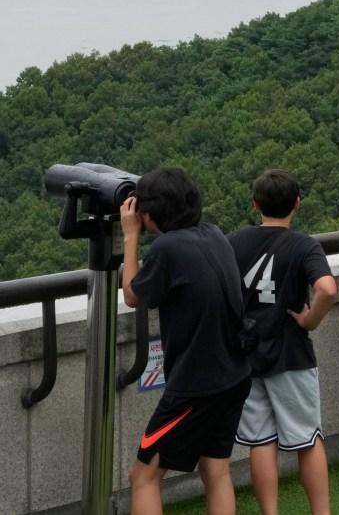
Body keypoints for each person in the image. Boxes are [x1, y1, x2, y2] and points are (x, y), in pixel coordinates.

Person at [121, 167, 252, 515]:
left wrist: (130, 236)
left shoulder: (166, 248)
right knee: (216, 470)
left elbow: (133, 295)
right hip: (234, 374)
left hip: (196, 386)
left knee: (144, 475)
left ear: (149, 213)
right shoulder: (213, 233)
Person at [230, 169, 338, 515]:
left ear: (255, 204)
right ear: (297, 204)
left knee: (260, 441)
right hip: (291, 353)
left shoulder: (234, 242)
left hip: (247, 354)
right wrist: (310, 319)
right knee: (307, 440)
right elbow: (327, 288)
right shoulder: (304, 245)